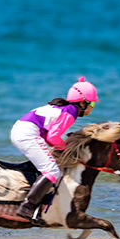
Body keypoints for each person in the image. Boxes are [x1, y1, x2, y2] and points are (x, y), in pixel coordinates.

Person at [10, 77, 98, 224]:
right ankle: (27, 206)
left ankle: (37, 203)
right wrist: (66, 149)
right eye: (92, 104)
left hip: (23, 132)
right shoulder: (70, 113)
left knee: (48, 166)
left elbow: (49, 135)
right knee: (52, 171)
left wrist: (60, 146)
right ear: (83, 103)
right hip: (27, 134)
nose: (93, 107)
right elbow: (53, 137)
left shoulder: (65, 109)